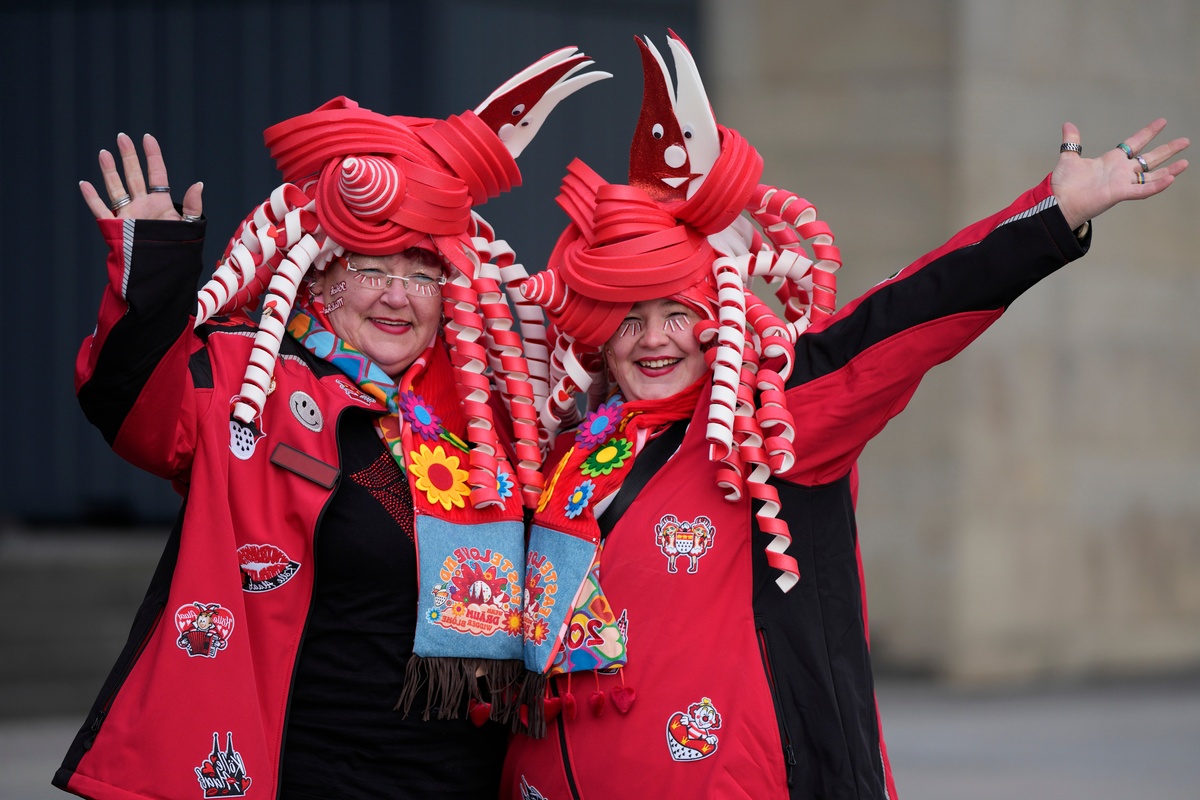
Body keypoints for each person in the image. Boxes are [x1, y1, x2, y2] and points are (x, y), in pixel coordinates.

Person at [500, 33, 1189, 800]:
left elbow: (904, 317)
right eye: (628, 319)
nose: (654, 339)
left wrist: (1052, 215)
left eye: (675, 312)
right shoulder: (573, 448)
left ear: (721, 313)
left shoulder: (773, 419)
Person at [54, 48, 608, 800]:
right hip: (303, 769)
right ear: (317, 275)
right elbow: (138, 408)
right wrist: (154, 270)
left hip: (462, 779)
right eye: (372, 267)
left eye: (422, 275)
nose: (398, 296)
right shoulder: (252, 381)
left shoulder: (489, 420)